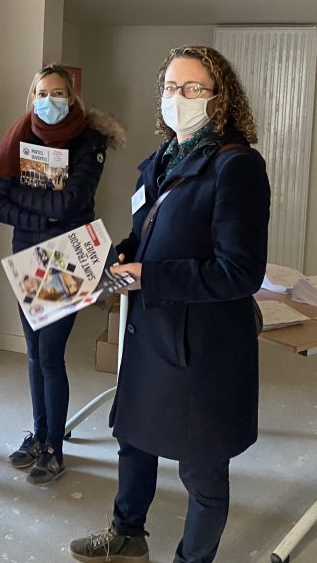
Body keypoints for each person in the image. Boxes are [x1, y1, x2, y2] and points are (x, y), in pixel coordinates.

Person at [69, 46, 270, 563]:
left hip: (201, 346)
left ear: (219, 99)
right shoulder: (160, 161)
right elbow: (147, 231)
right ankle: (126, 533)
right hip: (150, 331)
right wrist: (124, 253)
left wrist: (150, 275)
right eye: (169, 87)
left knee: (202, 471)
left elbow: (239, 272)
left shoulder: (236, 166)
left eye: (192, 89)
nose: (177, 98)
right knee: (134, 440)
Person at [0, 64, 124, 485]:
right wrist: (45, 206)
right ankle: (40, 434)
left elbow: (71, 203)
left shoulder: (90, 139)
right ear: (33, 96)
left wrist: (30, 204)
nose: (49, 101)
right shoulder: (19, 135)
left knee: (50, 354)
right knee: (33, 353)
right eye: (42, 93)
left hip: (67, 257)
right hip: (28, 254)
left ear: (72, 96)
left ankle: (54, 448)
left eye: (58, 92)